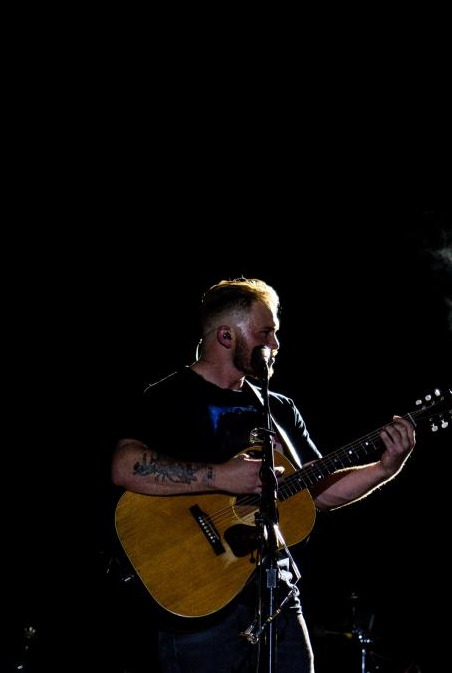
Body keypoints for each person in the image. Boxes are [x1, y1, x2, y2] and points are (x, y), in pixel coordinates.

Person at [112, 277, 416, 672]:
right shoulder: (168, 397)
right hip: (197, 600)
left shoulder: (280, 410)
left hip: (277, 597)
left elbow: (317, 492)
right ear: (226, 335)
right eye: (265, 333)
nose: (274, 346)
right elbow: (125, 466)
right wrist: (222, 476)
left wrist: (384, 468)